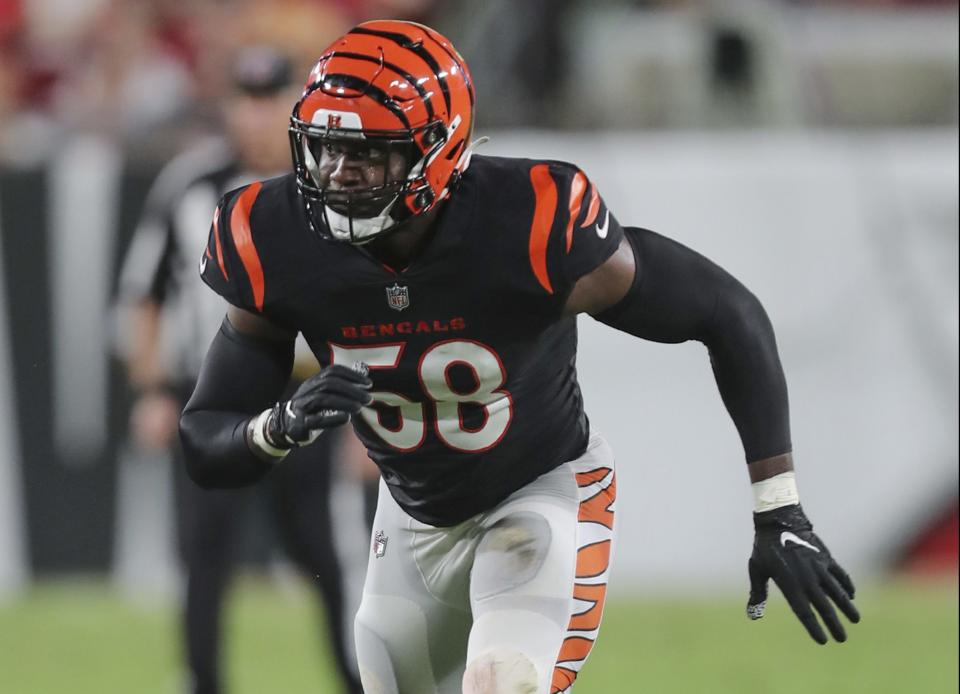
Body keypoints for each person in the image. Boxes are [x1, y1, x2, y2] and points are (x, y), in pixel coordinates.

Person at [179, 19, 861, 694]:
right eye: (326, 149)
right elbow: (206, 437)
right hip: (413, 516)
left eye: (367, 154)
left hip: (540, 495)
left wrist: (780, 509)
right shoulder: (272, 236)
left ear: (435, 151)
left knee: (501, 683)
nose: (339, 174)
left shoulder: (530, 222)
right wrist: (275, 427)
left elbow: (725, 312)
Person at [117, 45, 370, 694]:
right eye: (245, 99)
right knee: (204, 557)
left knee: (326, 558)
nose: (256, 116)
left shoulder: (333, 182)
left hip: (305, 396)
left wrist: (370, 413)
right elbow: (142, 296)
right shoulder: (189, 185)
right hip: (212, 395)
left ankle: (359, 680)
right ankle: (203, 681)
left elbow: (371, 301)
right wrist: (149, 389)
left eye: (270, 99)